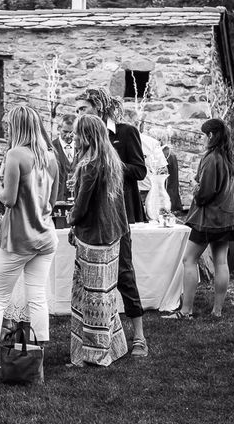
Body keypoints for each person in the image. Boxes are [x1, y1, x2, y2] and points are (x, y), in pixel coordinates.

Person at [0, 105, 59, 383]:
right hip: (45, 237)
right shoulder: (51, 157)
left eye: (9, 125)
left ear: (16, 127)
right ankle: (38, 365)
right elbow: (52, 202)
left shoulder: (15, 155)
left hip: (17, 239)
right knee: (37, 299)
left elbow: (8, 199)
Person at [75, 87, 149, 358]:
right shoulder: (83, 137)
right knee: (93, 282)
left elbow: (140, 171)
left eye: (83, 109)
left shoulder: (125, 133)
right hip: (91, 222)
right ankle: (102, 336)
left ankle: (139, 336)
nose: (79, 114)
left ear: (97, 107)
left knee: (125, 273)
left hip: (119, 216)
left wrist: (110, 164)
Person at [67, 114, 130, 366]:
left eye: (75, 133)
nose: (73, 137)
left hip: (94, 238)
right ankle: (114, 346)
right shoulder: (111, 160)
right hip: (112, 236)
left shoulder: (89, 165)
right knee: (106, 294)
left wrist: (71, 220)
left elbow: (81, 206)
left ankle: (94, 353)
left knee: (89, 296)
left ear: (86, 136)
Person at [166, 118, 234, 319]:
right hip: (227, 218)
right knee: (221, 262)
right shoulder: (230, 158)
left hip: (208, 219)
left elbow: (205, 193)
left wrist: (194, 185)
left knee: (189, 259)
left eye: (203, 135)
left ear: (211, 135)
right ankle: (217, 311)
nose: (201, 139)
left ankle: (186, 311)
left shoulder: (212, 158)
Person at [137, 116, 167, 216]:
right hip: (132, 190)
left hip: (147, 191)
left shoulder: (151, 143)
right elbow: (162, 169)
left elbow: (162, 169)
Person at [51, 114, 77, 202]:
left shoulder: (81, 147)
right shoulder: (50, 148)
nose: (68, 136)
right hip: (57, 201)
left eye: (71, 132)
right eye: (65, 132)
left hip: (78, 201)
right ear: (59, 129)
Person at [163, 144, 183, 213]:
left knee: (170, 187)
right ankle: (174, 207)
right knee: (173, 187)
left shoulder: (167, 154)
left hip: (170, 181)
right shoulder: (170, 153)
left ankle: (172, 208)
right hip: (172, 179)